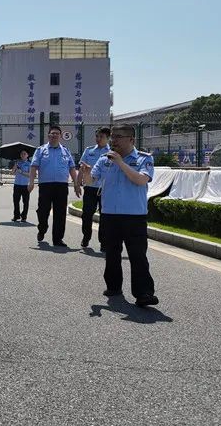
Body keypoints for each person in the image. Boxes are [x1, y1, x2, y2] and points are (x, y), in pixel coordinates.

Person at [90, 125, 158, 307]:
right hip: (110, 215)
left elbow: (140, 180)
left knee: (137, 255)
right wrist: (85, 173)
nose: (114, 140)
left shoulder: (144, 159)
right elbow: (91, 180)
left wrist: (120, 163)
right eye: (113, 137)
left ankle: (144, 293)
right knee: (112, 253)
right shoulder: (104, 160)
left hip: (134, 216)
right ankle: (113, 286)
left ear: (131, 140)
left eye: (118, 137)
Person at [28, 125, 82, 246]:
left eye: (57, 133)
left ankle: (57, 239)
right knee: (42, 211)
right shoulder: (41, 150)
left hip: (61, 186)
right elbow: (33, 166)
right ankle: (42, 228)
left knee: (60, 213)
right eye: (52, 133)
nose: (54, 135)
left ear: (60, 136)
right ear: (48, 135)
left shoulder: (66, 151)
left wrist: (76, 184)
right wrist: (30, 182)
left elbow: (72, 168)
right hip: (45, 186)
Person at [78, 127, 111, 250]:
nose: (98, 139)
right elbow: (82, 168)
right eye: (97, 136)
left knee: (105, 216)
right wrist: (77, 184)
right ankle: (86, 237)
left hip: (105, 189)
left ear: (108, 138)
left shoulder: (112, 153)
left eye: (101, 137)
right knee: (86, 214)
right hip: (90, 187)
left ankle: (104, 242)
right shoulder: (89, 150)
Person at [11, 150, 31, 221]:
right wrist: (15, 166)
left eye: (24, 154)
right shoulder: (18, 163)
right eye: (21, 154)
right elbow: (12, 173)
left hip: (25, 185)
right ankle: (16, 216)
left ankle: (24, 216)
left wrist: (21, 172)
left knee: (25, 202)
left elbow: (30, 175)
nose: (23, 155)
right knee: (16, 201)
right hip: (17, 185)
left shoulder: (29, 164)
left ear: (27, 155)